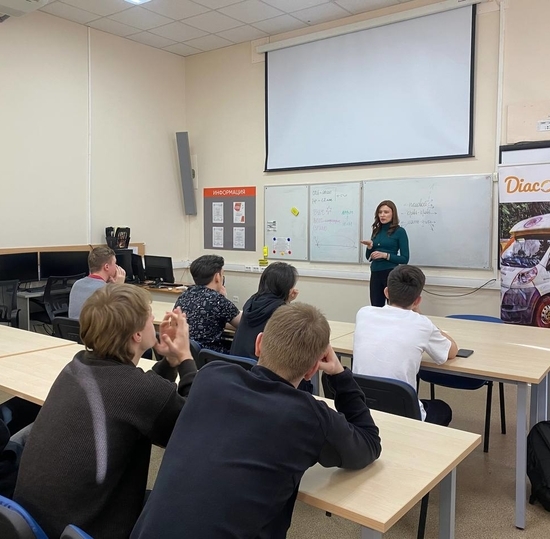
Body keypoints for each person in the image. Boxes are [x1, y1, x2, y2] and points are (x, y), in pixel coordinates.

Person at [131, 303, 382, 539]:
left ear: (258, 344)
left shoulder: (211, 376)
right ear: (312, 370)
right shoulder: (310, 416)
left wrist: (184, 359)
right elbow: (369, 443)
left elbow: (192, 387)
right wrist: (339, 374)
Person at [14, 284, 197, 539]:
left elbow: (143, 399)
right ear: (136, 335)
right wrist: (186, 359)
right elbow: (197, 425)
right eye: (149, 315)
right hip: (88, 529)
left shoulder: (76, 366)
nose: (154, 320)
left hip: (33, 524)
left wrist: (169, 362)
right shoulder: (138, 390)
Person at [352, 265, 458, 426]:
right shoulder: (423, 324)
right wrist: (420, 314)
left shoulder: (363, 313)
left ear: (386, 292)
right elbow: (452, 351)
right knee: (443, 409)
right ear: (417, 301)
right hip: (404, 416)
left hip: (362, 410)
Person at [230, 261, 298, 359]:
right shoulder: (281, 311)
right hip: (258, 365)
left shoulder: (252, 301)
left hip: (236, 363)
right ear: (286, 288)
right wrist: (287, 302)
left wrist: (286, 301)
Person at [174, 254, 240, 352]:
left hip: (183, 354)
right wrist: (224, 298)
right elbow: (243, 323)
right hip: (209, 356)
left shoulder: (184, 295)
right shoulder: (218, 300)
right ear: (217, 277)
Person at [360, 200, 409, 307]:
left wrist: (385, 255)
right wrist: (370, 247)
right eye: (380, 212)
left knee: (393, 307)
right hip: (375, 272)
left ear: (393, 214)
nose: (382, 215)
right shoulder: (376, 231)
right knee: (376, 306)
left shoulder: (399, 231)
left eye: (386, 212)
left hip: (390, 273)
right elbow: (368, 257)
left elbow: (405, 259)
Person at [68, 246, 126, 319]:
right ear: (107, 267)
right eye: (115, 263)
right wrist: (119, 287)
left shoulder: (77, 284)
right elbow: (121, 318)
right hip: (96, 327)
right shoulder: (106, 291)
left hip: (76, 326)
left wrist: (111, 287)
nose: (117, 267)